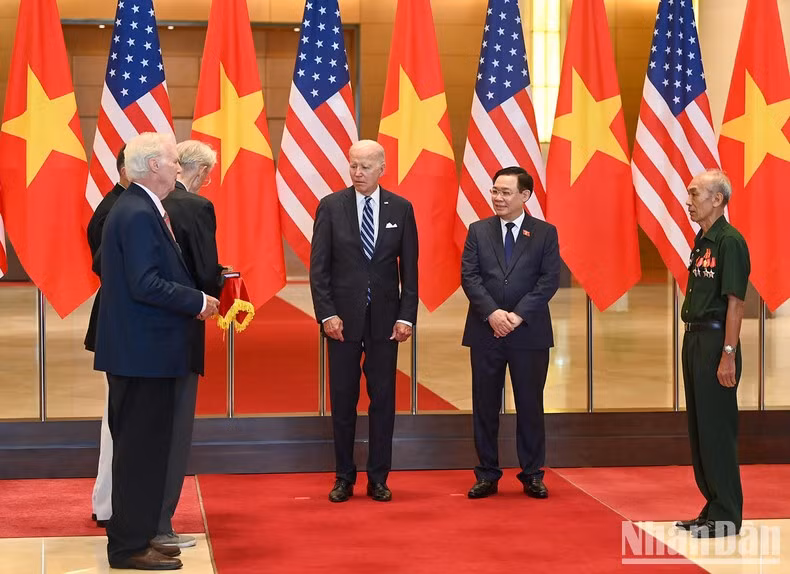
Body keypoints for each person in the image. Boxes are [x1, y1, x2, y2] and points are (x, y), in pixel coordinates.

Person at [94, 132, 219, 570]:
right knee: (138, 451)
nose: (177, 168)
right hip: (140, 353)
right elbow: (144, 283)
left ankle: (142, 530)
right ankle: (129, 546)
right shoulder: (137, 212)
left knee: (145, 449)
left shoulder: (142, 206)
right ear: (152, 166)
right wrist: (198, 301)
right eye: (171, 162)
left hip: (145, 350)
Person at [309, 139, 418, 503]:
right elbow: (319, 269)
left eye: (365, 166)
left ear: (382, 168)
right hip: (340, 322)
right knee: (343, 399)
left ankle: (379, 477)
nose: (357, 173)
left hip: (386, 323)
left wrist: (407, 316)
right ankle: (343, 476)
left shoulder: (401, 209)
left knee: (383, 399)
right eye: (353, 165)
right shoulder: (331, 207)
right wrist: (327, 313)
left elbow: (410, 272)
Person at [460, 166, 560, 500]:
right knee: (484, 406)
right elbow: (470, 277)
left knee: (530, 405)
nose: (498, 198)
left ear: (524, 196)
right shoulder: (478, 230)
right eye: (494, 191)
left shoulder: (544, 233)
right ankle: (487, 473)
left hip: (528, 333)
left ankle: (532, 473)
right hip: (486, 331)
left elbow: (548, 281)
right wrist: (492, 314)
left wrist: (516, 316)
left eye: (505, 192)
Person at [154, 140, 224, 548]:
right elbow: (205, 270)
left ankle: (146, 518)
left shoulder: (136, 205)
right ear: (195, 172)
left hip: (144, 336)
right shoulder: (196, 207)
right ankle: (162, 523)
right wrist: (219, 283)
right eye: (208, 176)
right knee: (175, 434)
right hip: (181, 330)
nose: (207, 183)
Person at [675, 169, 750, 539]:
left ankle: (727, 514)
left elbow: (735, 303)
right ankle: (711, 506)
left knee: (717, 431)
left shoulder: (729, 242)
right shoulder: (703, 239)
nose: (688, 201)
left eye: (694, 194)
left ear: (717, 199)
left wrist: (729, 354)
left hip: (718, 342)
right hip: (695, 340)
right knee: (700, 429)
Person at [85, 145, 128, 527]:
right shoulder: (115, 210)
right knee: (116, 419)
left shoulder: (120, 204)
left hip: (121, 322)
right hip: (119, 321)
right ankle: (108, 504)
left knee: (116, 417)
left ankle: (109, 502)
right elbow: (107, 268)